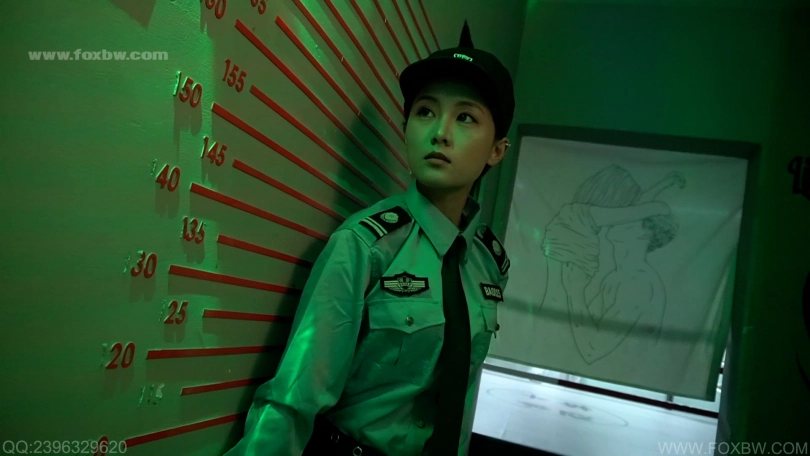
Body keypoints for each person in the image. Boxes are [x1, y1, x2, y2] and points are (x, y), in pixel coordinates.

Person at [224, 21, 514, 456]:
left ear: (497, 150)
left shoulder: (490, 264)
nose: (440, 132)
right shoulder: (365, 246)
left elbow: (462, 392)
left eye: (465, 117)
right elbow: (294, 398)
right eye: (425, 112)